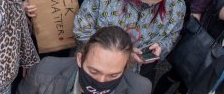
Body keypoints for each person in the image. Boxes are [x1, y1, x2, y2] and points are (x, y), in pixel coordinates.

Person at [74, 0, 185, 81]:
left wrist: (161, 47)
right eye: (143, 1)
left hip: (140, 72)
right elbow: (82, 29)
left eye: (156, 2)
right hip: (99, 66)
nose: (149, 6)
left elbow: (172, 36)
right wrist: (122, 53)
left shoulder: (176, 4)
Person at [19, 25, 151, 94]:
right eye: (94, 71)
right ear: (80, 58)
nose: (100, 81)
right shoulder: (45, 71)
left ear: (124, 68)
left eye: (113, 75)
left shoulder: (139, 88)